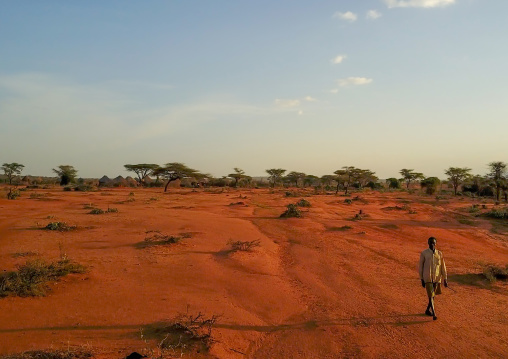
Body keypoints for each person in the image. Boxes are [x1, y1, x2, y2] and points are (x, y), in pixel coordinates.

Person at [418, 237, 447, 320]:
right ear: (428, 243)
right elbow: (421, 267)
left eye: (433, 242)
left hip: (437, 278)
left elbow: (443, 267)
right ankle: (434, 313)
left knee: (433, 296)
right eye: (430, 242)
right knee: (430, 296)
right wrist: (422, 279)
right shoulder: (424, 253)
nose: (432, 244)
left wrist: (445, 278)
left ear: (435, 243)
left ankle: (427, 310)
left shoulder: (439, 254)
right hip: (427, 278)